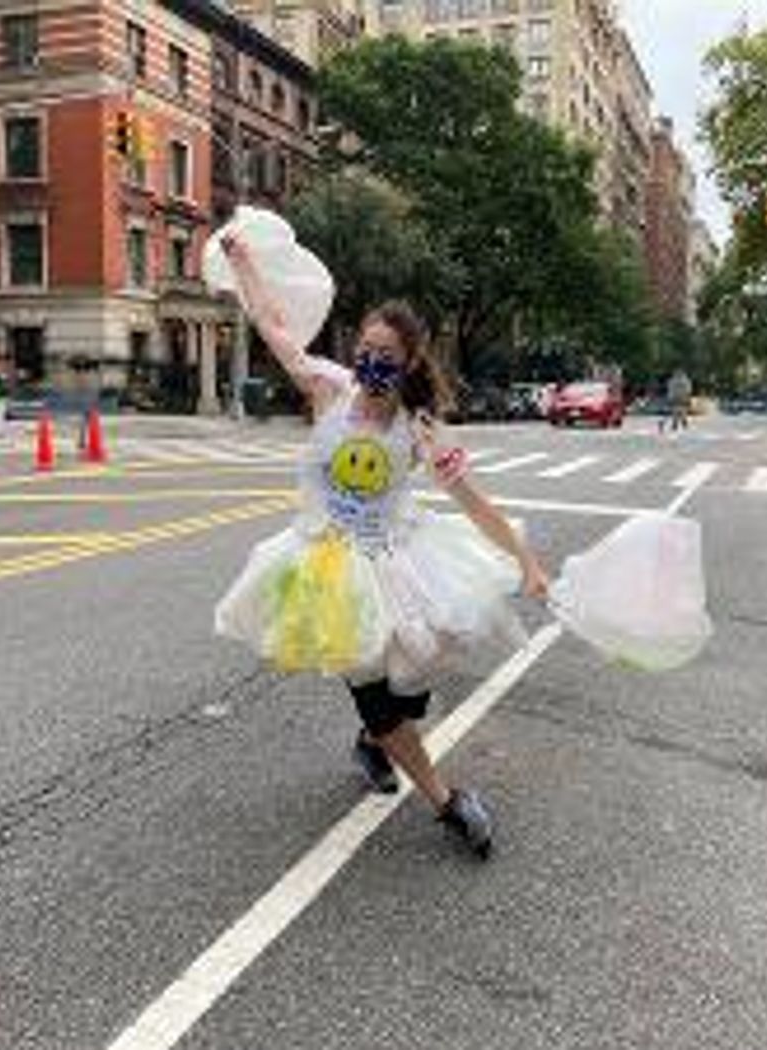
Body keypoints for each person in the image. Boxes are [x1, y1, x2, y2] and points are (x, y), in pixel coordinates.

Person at [213, 232, 551, 859]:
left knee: (408, 682)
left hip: (398, 561)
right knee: (378, 694)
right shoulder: (328, 390)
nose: (370, 361)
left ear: (409, 361)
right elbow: (274, 325)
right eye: (364, 348)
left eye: (385, 353)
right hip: (328, 568)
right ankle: (448, 803)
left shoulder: (418, 427)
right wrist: (243, 266)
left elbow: (472, 499)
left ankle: (374, 742)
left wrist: (525, 560)